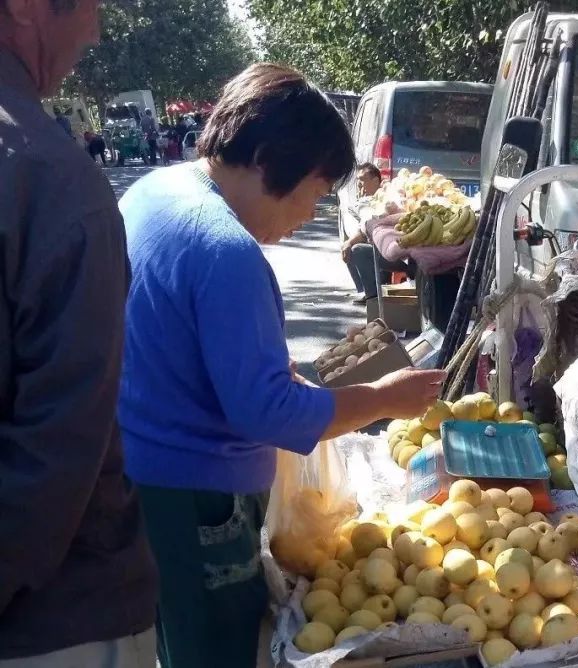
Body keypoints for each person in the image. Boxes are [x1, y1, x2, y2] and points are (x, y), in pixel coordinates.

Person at [117, 63, 445, 668]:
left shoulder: (155, 193)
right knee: (215, 648)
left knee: (176, 636)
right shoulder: (225, 249)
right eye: (315, 193)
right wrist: (383, 397)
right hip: (194, 495)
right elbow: (266, 411)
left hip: (140, 476)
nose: (310, 215)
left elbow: (182, 340)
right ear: (268, 160)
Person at [0, 1, 159, 667]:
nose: (95, 30)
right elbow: (58, 450)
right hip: (55, 624)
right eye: (90, 5)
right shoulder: (50, 181)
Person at [341, 162, 410, 304]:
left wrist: (350, 242)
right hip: (386, 249)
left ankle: (372, 297)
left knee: (356, 249)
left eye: (362, 180)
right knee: (350, 246)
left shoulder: (387, 200)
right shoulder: (368, 202)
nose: (360, 185)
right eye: (358, 181)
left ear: (376, 181)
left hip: (400, 254)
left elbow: (367, 227)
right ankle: (368, 291)